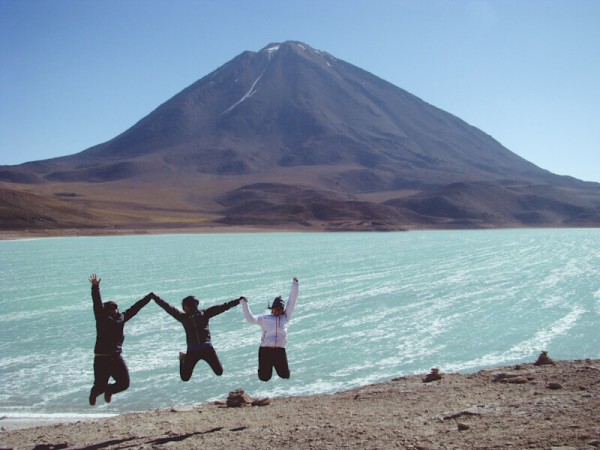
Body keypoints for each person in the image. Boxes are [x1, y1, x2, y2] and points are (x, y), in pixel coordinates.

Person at [88, 274, 153, 406]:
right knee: (100, 386)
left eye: (115, 308)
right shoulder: (102, 318)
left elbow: (135, 309)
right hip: (101, 358)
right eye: (111, 309)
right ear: (106, 310)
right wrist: (95, 287)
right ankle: (95, 392)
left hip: (116, 357)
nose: (114, 310)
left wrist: (148, 298)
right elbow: (97, 303)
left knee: (124, 384)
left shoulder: (121, 318)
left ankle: (110, 391)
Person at [153, 293, 242, 381]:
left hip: (206, 348)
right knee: (185, 377)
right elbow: (167, 307)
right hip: (193, 350)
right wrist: (239, 301)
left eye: (183, 306)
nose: (183, 308)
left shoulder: (201, 314)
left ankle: (183, 358)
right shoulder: (187, 316)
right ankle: (182, 359)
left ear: (187, 306)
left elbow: (223, 307)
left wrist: (238, 301)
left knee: (219, 371)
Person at [240, 277, 299, 381]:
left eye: (280, 310)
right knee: (264, 378)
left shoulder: (285, 317)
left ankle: (280, 368)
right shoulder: (264, 318)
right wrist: (244, 303)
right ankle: (262, 368)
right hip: (265, 350)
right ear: (272, 308)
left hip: (279, 351)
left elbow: (292, 302)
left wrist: (295, 284)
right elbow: (250, 319)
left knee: (285, 375)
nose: (278, 312)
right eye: (276, 309)